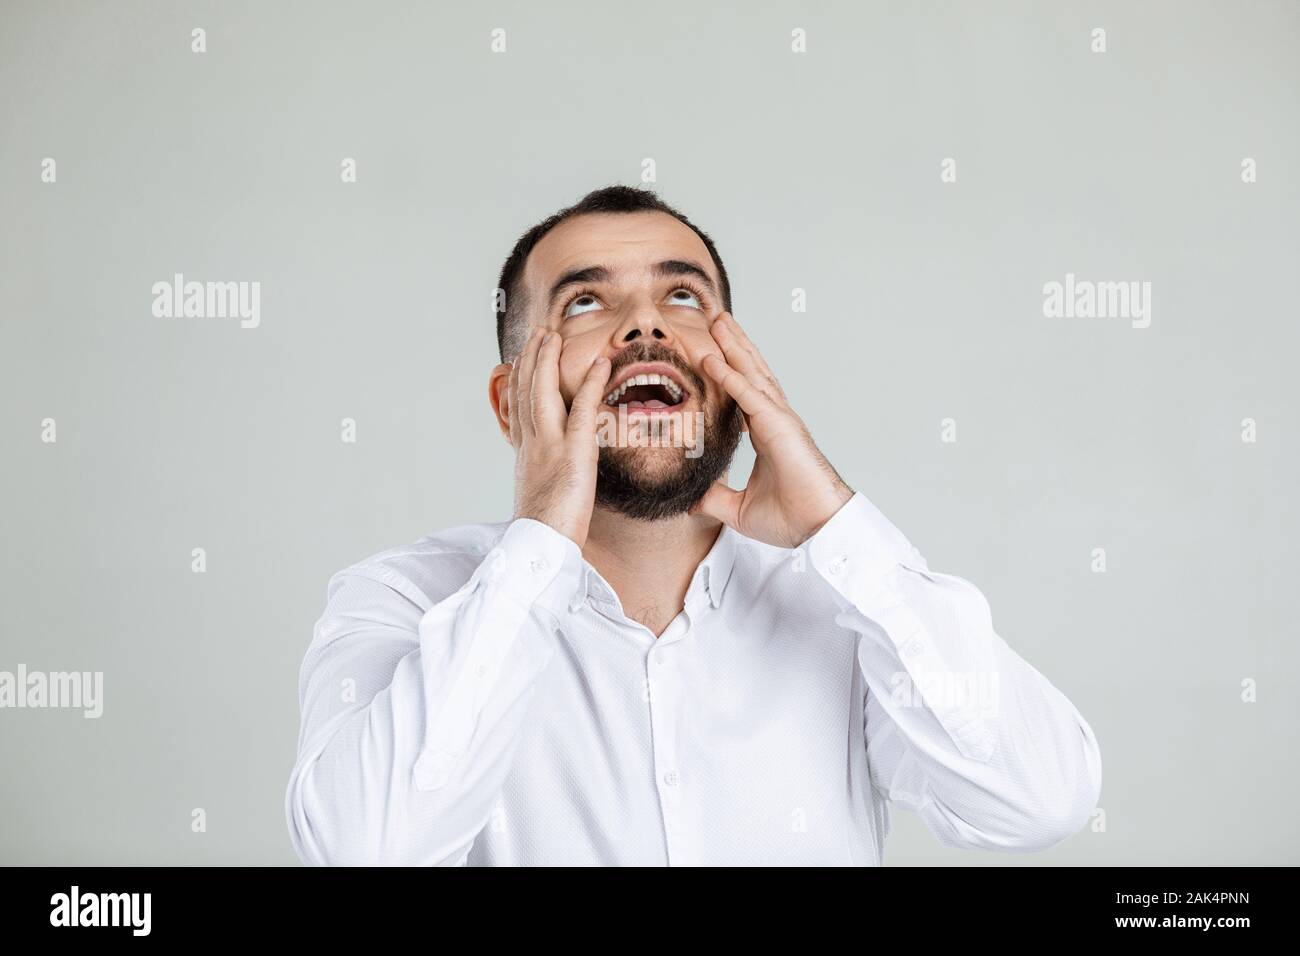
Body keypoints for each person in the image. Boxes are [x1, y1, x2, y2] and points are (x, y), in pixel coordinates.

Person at [284, 185, 1102, 866]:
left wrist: (837, 527)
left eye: (682, 295)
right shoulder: (400, 601)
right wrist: (539, 542)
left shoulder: (847, 609)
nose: (646, 327)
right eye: (585, 302)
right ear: (513, 402)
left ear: (740, 371)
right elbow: (366, 846)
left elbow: (1039, 800)